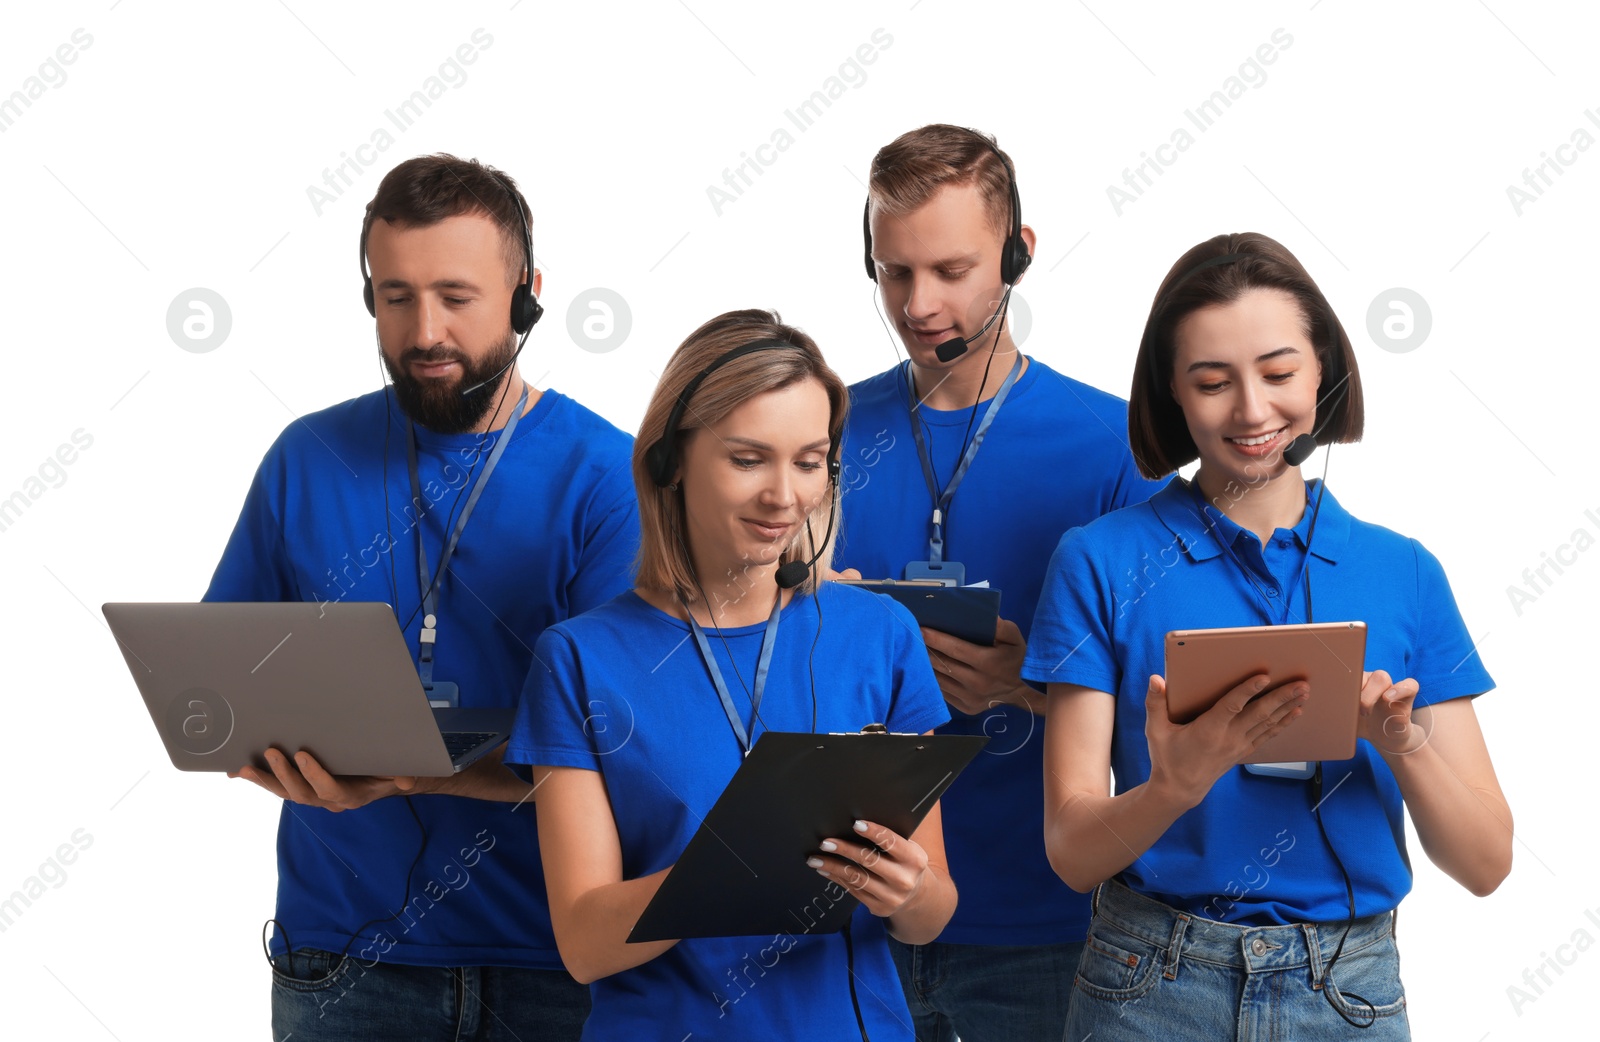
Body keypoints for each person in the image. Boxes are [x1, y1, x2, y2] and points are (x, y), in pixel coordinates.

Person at [1024, 232, 1512, 1038]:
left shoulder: (1405, 571)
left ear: (1324, 370)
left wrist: (1402, 745)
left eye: (1279, 374)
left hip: (1346, 995)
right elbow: (1073, 852)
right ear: (1172, 395)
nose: (1252, 411)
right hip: (1148, 986)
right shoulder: (1100, 560)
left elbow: (1486, 863)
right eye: (1212, 382)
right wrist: (1171, 788)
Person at [205, 153, 640, 1041]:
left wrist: (412, 772)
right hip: (342, 961)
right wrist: (258, 750)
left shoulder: (608, 477)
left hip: (554, 963)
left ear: (526, 296)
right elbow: (220, 688)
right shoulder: (305, 458)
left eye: (456, 296)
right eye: (395, 296)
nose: (424, 330)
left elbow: (623, 747)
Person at [507, 309, 958, 1040]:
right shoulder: (579, 658)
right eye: (750, 459)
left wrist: (905, 891)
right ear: (670, 461)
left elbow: (931, 915)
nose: (786, 496)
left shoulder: (881, 635)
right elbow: (585, 944)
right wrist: (733, 864)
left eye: (810, 461)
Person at [834, 123, 1163, 1040]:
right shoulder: (816, 435)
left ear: (1018, 255)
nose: (918, 303)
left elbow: (1178, 714)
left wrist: (1035, 688)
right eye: (893, 272)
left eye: (949, 270)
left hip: (1047, 927)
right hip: (851, 916)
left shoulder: (1117, 448)